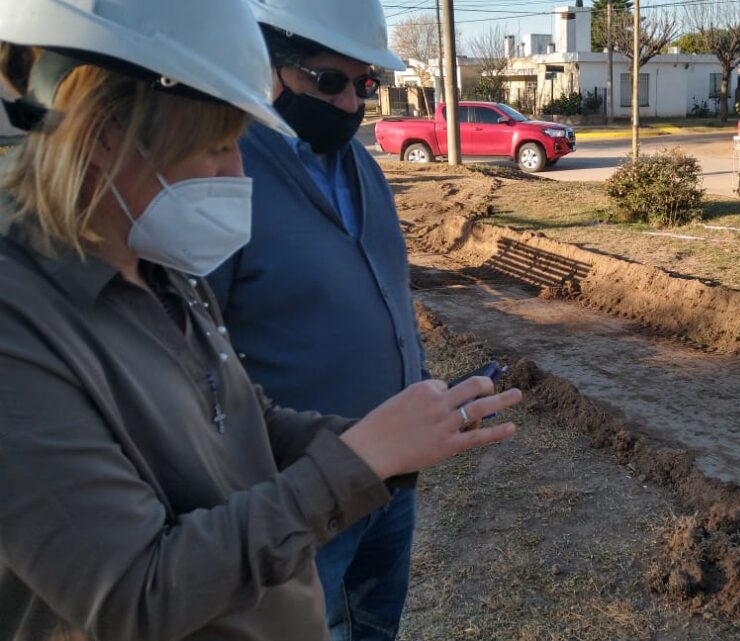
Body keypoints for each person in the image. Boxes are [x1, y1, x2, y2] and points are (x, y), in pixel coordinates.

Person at [0, 1, 520, 640]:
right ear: (106, 135)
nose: (239, 174)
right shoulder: (20, 329)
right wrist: (358, 459)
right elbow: (136, 595)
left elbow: (243, 416)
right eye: (218, 145)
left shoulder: (155, 265)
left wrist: (387, 439)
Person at [205, 2, 424, 638]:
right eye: (330, 81)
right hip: (304, 489)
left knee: (375, 626)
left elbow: (386, 291)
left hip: (392, 483)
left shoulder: (362, 167)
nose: (351, 103)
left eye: (365, 84)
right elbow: (196, 350)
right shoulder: (224, 170)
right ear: (268, 65)